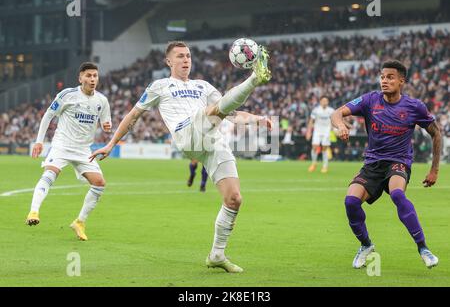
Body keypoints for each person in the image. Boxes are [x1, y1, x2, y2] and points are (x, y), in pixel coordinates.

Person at [89, 41, 272, 273]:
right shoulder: (160, 86)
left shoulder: (203, 86)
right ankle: (255, 78)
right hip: (186, 133)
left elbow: (230, 112)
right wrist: (111, 143)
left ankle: (217, 254)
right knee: (211, 111)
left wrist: (256, 118)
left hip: (211, 138)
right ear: (168, 61)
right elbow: (133, 115)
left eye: (188, 56)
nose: (186, 60)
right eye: (180, 56)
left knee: (234, 199)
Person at [331, 60, 442, 269]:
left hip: (398, 162)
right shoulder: (370, 100)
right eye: (382, 76)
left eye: (390, 77)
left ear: (402, 81)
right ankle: (365, 245)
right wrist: (340, 126)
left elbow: (436, 133)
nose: (384, 80)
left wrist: (434, 169)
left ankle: (423, 248)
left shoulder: (414, 106)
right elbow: (336, 113)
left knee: (398, 195)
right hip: (372, 163)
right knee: (350, 202)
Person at [26, 62, 112, 242]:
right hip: (62, 145)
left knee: (99, 183)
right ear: (80, 78)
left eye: (95, 75)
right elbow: (48, 115)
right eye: (88, 75)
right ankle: (34, 211)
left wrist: (107, 126)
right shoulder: (67, 95)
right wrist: (39, 141)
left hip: (83, 150)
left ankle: (80, 222)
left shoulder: (102, 101)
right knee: (50, 173)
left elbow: (106, 123)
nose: (92, 79)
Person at [306, 96, 335, 173]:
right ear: (320, 102)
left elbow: (334, 120)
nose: (324, 102)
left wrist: (335, 129)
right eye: (323, 101)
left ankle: (325, 166)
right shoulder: (316, 110)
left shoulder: (331, 110)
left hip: (326, 131)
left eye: (326, 101)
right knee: (314, 146)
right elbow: (311, 121)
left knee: (324, 148)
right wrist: (309, 131)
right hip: (317, 130)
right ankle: (314, 163)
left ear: (328, 102)